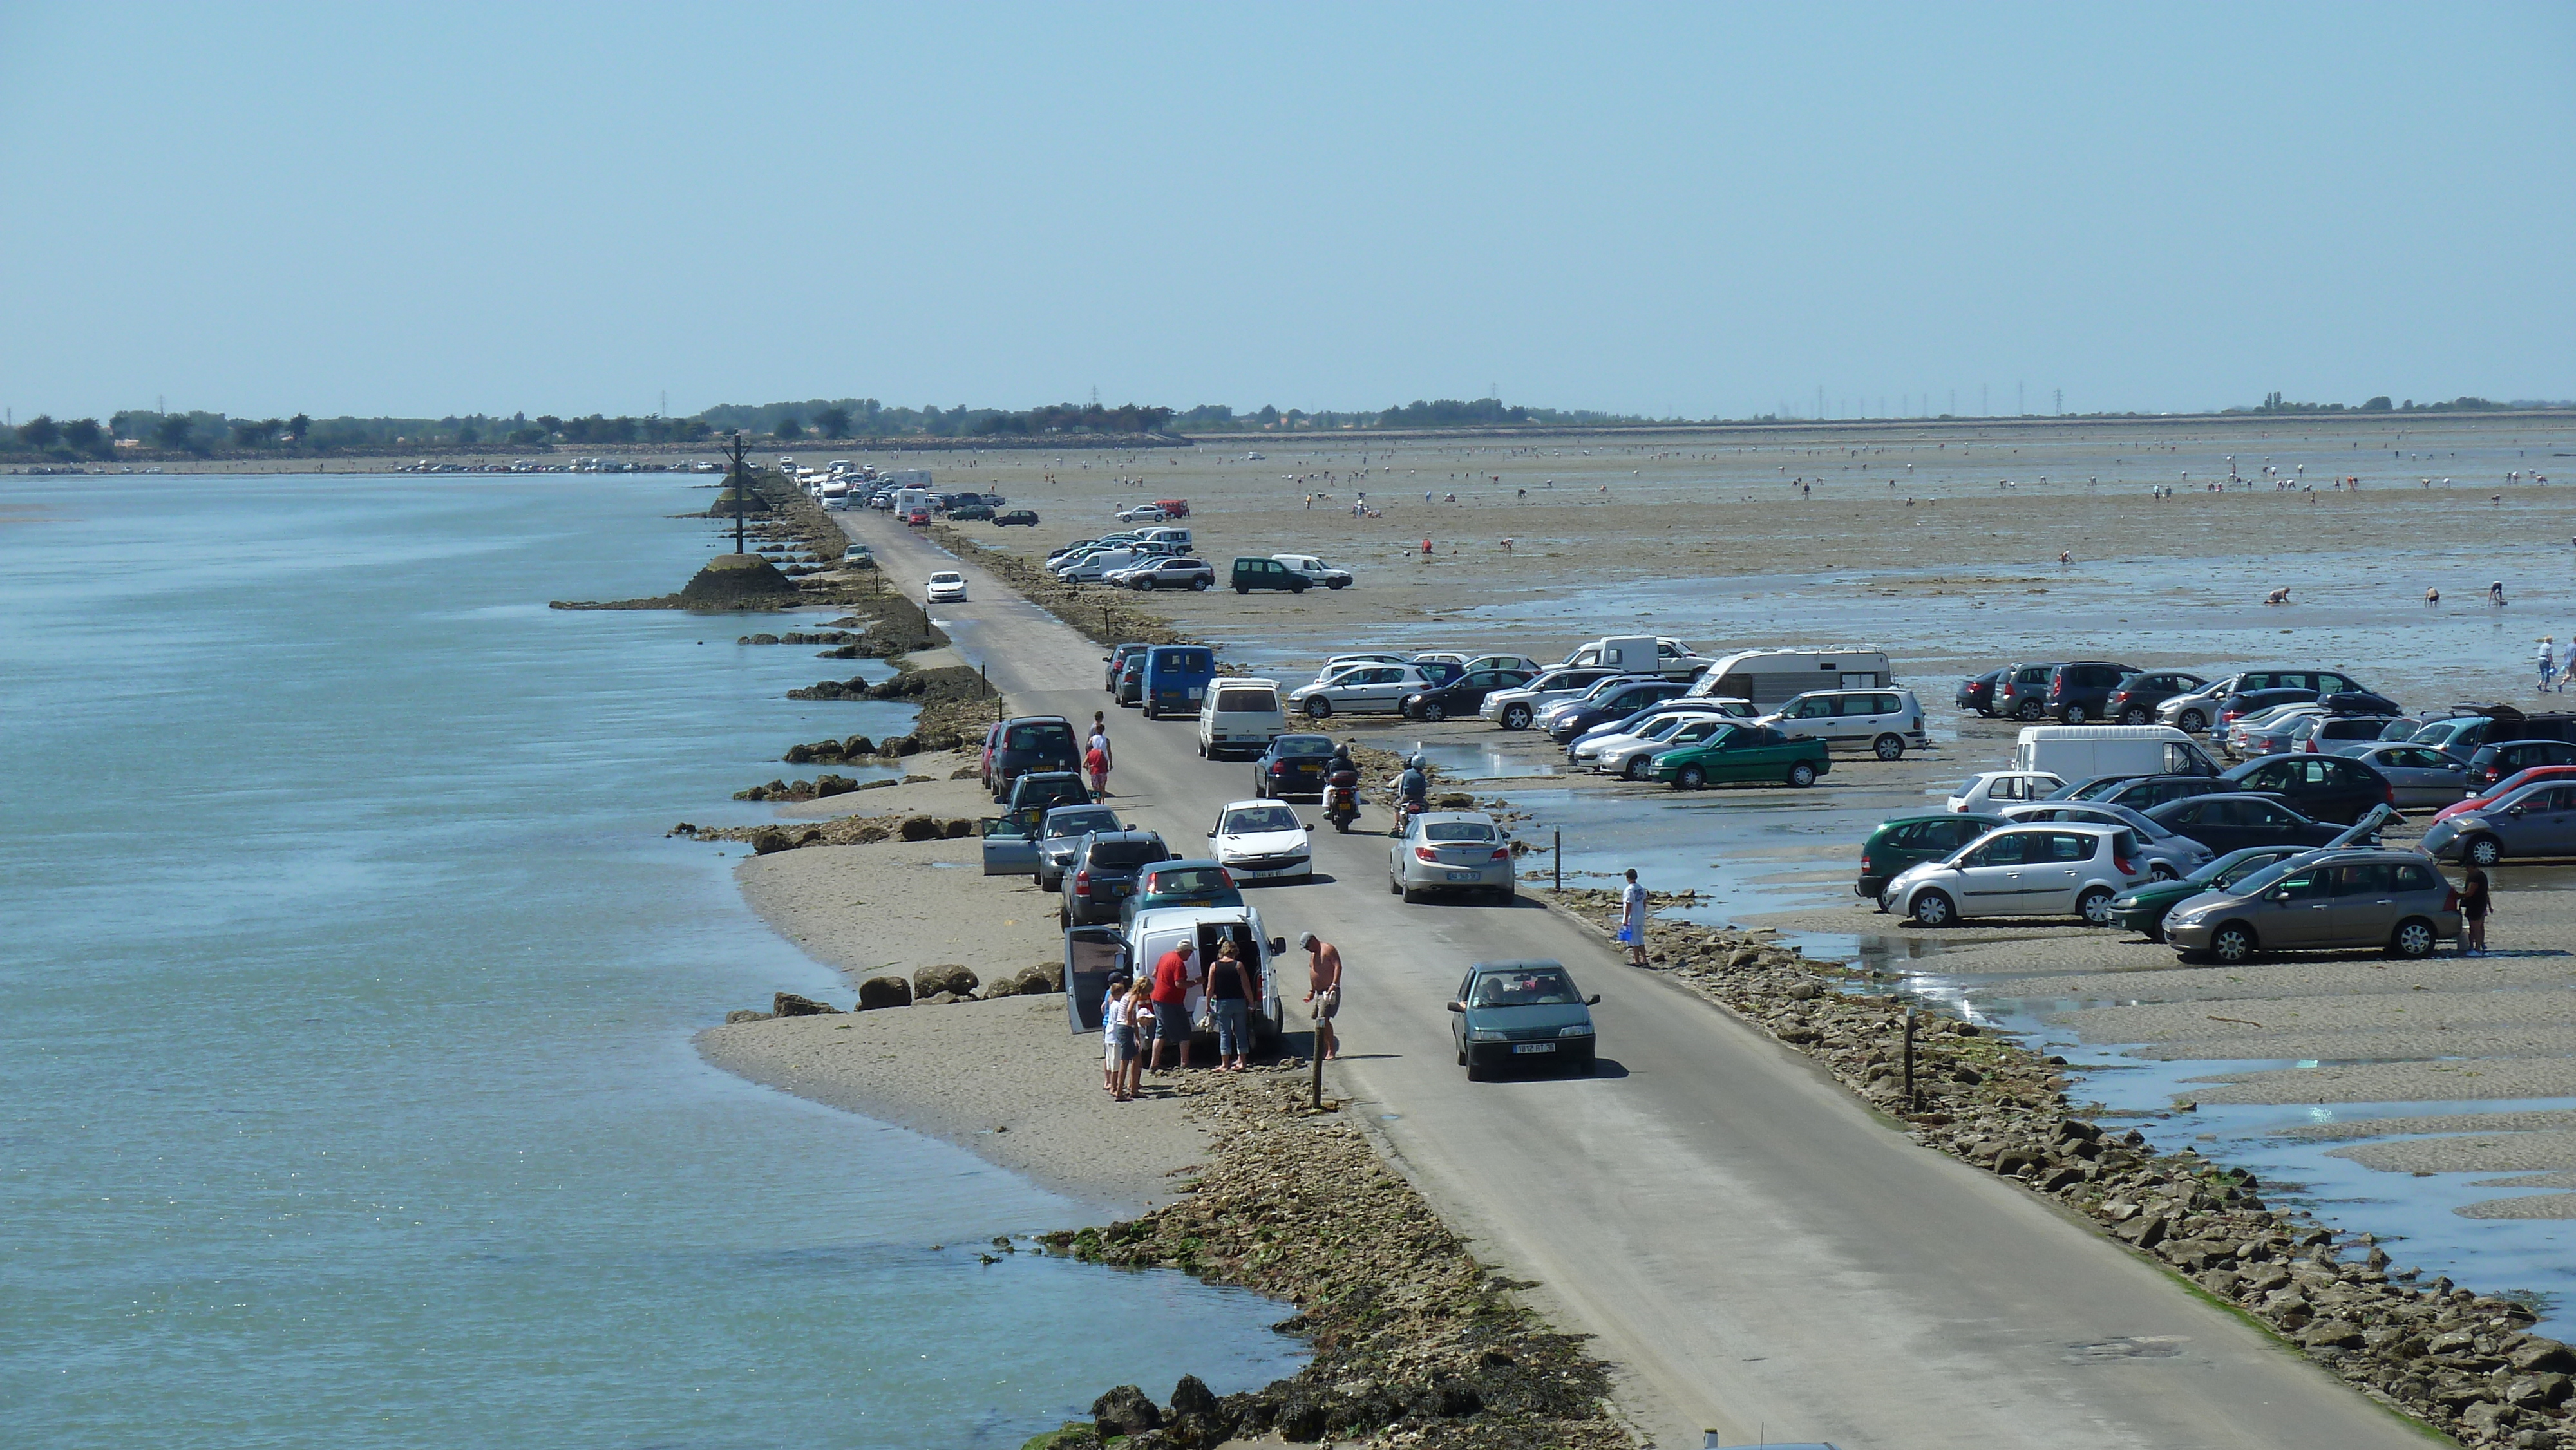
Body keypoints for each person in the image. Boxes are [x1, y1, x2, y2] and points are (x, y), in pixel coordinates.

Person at [1150, 940, 1197, 1071]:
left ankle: (1154, 1063)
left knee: (1161, 1031)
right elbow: (1179, 984)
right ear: (1184, 951)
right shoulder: (1178, 963)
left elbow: (1154, 974)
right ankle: (1185, 1063)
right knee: (1184, 1030)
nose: (1191, 954)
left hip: (1158, 998)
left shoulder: (1165, 956)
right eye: (1190, 952)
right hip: (1170, 1001)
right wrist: (1195, 982)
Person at [1206, 939, 1253, 1072]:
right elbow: (1246, 986)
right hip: (1238, 1002)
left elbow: (1210, 987)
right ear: (1235, 952)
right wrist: (1251, 1002)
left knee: (1225, 1033)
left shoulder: (1214, 966)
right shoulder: (1239, 966)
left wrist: (1208, 1004)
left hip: (1223, 1003)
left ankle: (1225, 1064)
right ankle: (1242, 1062)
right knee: (1240, 1032)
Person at [1300, 932, 1342, 1061]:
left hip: (1329, 991)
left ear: (1313, 940)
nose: (1308, 950)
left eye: (1308, 946)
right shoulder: (1313, 955)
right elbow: (1314, 972)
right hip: (1318, 992)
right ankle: (1325, 1048)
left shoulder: (1328, 949)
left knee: (1323, 1019)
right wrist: (1312, 991)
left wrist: (1334, 984)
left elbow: (1338, 966)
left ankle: (1331, 1050)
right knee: (1318, 1019)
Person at [1114, 979, 1153, 1100]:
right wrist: (1129, 1022)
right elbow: (1130, 1010)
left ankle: (1133, 1089)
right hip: (1125, 1028)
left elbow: (1134, 1017)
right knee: (1124, 1061)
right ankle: (1120, 1092)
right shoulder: (1134, 996)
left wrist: (1136, 1036)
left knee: (1136, 1058)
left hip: (1123, 1028)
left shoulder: (1127, 995)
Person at [1101, 972, 1130, 1093]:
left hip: (1106, 1025)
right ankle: (1114, 1084)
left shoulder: (1108, 992)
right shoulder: (1117, 1001)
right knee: (1116, 1058)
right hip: (1114, 1029)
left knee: (1108, 1056)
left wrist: (1106, 1018)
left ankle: (1107, 1081)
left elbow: (1103, 1007)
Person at [1619, 867, 1649, 967]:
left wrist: (1625, 919)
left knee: (1634, 939)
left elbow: (1628, 905)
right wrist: (1643, 912)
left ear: (1628, 878)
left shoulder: (1629, 890)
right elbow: (1645, 902)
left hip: (1633, 916)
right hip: (1640, 915)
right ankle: (1644, 958)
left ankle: (1636, 960)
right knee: (1640, 938)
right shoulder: (1641, 888)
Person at [2460, 863, 2492, 957]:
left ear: (2472, 866)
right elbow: (2486, 893)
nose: (2466, 870)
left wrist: (2457, 895)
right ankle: (2476, 946)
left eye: (2467, 867)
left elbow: (2470, 892)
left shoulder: (2475, 877)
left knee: (2475, 928)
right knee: (2478, 928)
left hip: (2476, 906)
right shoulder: (2481, 875)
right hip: (2480, 905)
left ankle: (2477, 949)